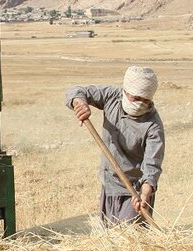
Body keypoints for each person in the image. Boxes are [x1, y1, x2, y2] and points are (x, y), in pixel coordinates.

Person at [65, 66, 165, 225]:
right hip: (110, 184)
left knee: (131, 236)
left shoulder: (153, 125)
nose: (141, 104)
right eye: (136, 98)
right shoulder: (112, 96)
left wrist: (146, 190)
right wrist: (79, 102)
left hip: (135, 190)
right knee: (110, 236)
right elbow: (77, 91)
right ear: (126, 91)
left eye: (146, 100)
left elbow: (152, 164)